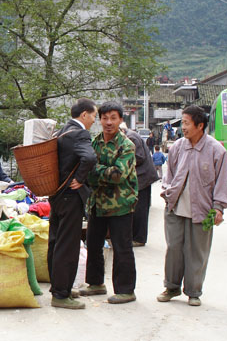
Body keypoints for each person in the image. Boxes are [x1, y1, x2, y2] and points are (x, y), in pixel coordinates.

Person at [157, 105, 227, 307]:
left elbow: (222, 182)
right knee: (173, 249)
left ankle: (194, 291)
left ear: (200, 125)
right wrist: (167, 191)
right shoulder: (178, 147)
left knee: (197, 252)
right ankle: (171, 287)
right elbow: (168, 173)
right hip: (175, 208)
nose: (183, 127)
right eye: (182, 123)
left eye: (187, 123)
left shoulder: (217, 151)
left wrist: (219, 207)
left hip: (203, 211)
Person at [81, 101, 138, 304]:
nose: (108, 122)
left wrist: (95, 172)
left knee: (122, 247)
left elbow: (118, 175)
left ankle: (126, 290)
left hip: (120, 205)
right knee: (93, 244)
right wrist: (100, 172)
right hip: (97, 203)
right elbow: (86, 170)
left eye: (113, 118)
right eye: (104, 118)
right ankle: (96, 283)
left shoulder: (127, 146)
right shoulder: (95, 142)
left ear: (120, 120)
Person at [48, 98, 97, 310]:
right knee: (68, 246)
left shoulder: (61, 131)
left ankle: (60, 288)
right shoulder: (80, 133)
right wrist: (80, 178)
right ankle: (61, 295)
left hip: (57, 195)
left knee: (55, 241)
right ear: (84, 115)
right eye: (94, 115)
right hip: (71, 196)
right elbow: (90, 157)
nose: (94, 120)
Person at [120, 123, 157, 247]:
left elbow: (139, 157)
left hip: (143, 178)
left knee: (140, 209)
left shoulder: (131, 138)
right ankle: (136, 236)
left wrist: (121, 161)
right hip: (140, 178)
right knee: (138, 208)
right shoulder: (130, 136)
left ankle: (139, 238)